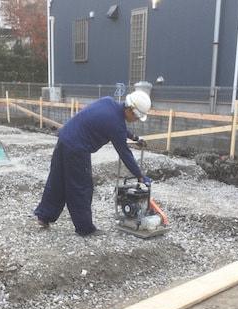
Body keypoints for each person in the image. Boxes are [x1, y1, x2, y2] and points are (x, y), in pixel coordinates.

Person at [34, 90, 152, 237]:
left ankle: (44, 216)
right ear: (130, 110)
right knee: (81, 188)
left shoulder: (108, 102)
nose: (136, 120)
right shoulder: (116, 124)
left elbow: (118, 128)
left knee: (57, 180)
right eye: (137, 117)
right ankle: (85, 229)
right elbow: (125, 154)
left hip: (64, 139)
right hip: (77, 149)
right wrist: (140, 176)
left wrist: (134, 137)